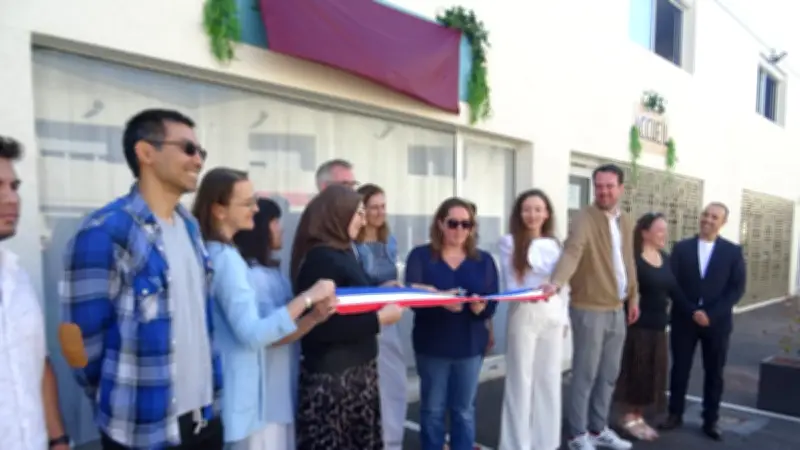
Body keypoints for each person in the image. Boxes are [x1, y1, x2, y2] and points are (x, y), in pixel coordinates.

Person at [60, 109, 224, 449]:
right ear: (146, 152)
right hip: (142, 432)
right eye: (188, 149)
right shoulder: (105, 231)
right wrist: (117, 397)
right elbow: (82, 345)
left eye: (201, 152)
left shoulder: (191, 228)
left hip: (204, 420)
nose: (198, 160)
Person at [192, 168, 337, 449]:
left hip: (238, 395)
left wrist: (311, 317)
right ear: (219, 211)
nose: (255, 209)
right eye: (247, 203)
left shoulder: (219, 254)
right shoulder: (225, 259)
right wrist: (308, 299)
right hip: (239, 397)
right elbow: (254, 333)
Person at [290, 184, 404, 450]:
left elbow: (347, 302)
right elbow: (321, 327)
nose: (364, 220)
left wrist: (378, 293)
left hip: (355, 376)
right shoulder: (321, 259)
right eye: (359, 213)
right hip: (334, 382)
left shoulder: (341, 252)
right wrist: (379, 320)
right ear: (338, 215)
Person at [543, 163, 638, 450]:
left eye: (609, 186)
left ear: (621, 188)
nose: (604, 191)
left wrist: (634, 297)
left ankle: (598, 429)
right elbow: (574, 250)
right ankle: (577, 434)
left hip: (616, 309)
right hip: (589, 308)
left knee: (609, 374)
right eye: (599, 186)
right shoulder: (584, 217)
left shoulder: (626, 220)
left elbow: (628, 263)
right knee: (585, 374)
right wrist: (557, 282)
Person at [233, 196, 328, 449]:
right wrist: (313, 315)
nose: (280, 228)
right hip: (261, 398)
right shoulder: (251, 277)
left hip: (279, 390)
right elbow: (270, 335)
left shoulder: (273, 274)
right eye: (274, 221)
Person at [405, 197, 499, 450]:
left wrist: (481, 308)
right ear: (440, 223)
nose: (459, 230)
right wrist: (438, 300)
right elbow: (410, 296)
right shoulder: (422, 256)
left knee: (464, 411)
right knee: (432, 410)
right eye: (453, 223)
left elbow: (492, 302)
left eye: (466, 224)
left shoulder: (484, 260)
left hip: (469, 346)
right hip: (432, 346)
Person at [0, 136, 70, 450]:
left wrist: (58, 439)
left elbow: (38, 365)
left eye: (13, 186)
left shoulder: (17, 277)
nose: (12, 199)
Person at [660, 202, 746, 441]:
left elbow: (736, 289)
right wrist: (691, 311)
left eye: (714, 217)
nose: (708, 220)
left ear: (723, 222)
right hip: (684, 320)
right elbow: (672, 283)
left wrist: (711, 314)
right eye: (705, 215)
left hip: (716, 323)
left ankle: (711, 420)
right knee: (680, 369)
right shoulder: (682, 248)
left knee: (714, 372)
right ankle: (674, 413)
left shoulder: (732, 251)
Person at [498, 189, 566, 450]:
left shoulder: (557, 245)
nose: (532, 215)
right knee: (520, 381)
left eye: (538, 209)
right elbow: (513, 284)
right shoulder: (510, 242)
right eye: (527, 209)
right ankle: (515, 445)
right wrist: (543, 285)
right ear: (519, 213)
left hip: (552, 314)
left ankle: (545, 444)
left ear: (547, 213)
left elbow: (564, 287)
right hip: (524, 313)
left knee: (549, 381)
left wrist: (564, 319)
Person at [614, 212, 688, 441]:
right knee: (635, 373)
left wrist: (694, 310)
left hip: (659, 328)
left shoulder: (664, 258)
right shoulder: (633, 259)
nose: (664, 234)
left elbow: (675, 291)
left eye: (665, 230)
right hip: (637, 327)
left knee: (652, 375)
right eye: (659, 230)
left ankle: (639, 416)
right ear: (645, 232)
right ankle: (628, 418)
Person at [353, 183, 407, 450]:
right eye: (373, 207)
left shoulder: (391, 240)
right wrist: (379, 290)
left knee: (395, 386)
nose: (379, 212)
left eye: (383, 206)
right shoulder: (354, 244)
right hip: (366, 321)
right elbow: (354, 285)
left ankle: (393, 442)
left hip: (390, 320)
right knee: (370, 390)